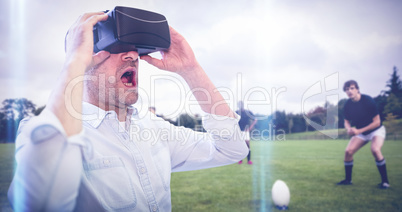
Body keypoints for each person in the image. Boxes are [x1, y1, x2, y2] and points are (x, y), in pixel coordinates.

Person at [8, 11, 249, 211]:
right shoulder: (37, 131)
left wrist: (191, 69)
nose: (133, 55)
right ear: (85, 58)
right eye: (117, 46)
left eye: (136, 49)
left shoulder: (155, 129)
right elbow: (39, 201)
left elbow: (232, 149)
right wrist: (73, 64)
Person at [337, 80, 390, 189]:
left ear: (357, 89)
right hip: (361, 132)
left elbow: (377, 122)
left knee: (375, 149)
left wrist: (358, 131)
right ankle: (348, 180)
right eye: (347, 89)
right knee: (348, 151)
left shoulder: (368, 101)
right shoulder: (347, 104)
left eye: (352, 88)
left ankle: (385, 182)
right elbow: (346, 121)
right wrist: (348, 129)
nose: (349, 91)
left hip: (376, 130)